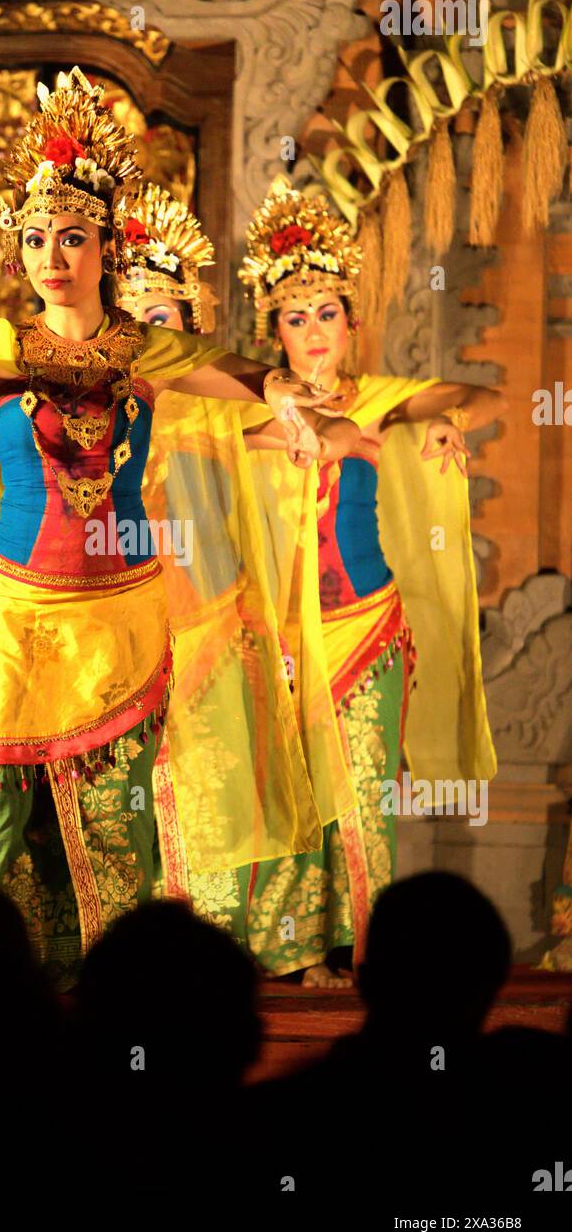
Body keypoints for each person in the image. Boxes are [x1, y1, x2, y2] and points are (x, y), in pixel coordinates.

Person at [0, 69, 340, 989]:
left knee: (113, 818)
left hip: (125, 611)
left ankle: (107, 997)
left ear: (107, 243)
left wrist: (292, 403)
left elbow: (247, 373)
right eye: (33, 239)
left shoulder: (148, 351)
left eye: (70, 237)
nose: (49, 256)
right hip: (19, 612)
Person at [237, 174, 504, 985]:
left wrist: (439, 422)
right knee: (287, 797)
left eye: (328, 315)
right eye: (295, 317)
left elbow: (484, 393)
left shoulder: (381, 404)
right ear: (274, 331)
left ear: (353, 325)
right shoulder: (245, 411)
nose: (314, 332)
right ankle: (283, 957)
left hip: (366, 626)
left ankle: (361, 960)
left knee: (358, 796)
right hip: (274, 636)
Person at [114, 180, 363, 961]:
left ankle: (235, 952)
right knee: (133, 798)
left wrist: (324, 428)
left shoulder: (216, 399)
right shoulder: (97, 399)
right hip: (121, 620)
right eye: (132, 321)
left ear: (190, 324)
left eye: (161, 319)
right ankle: (132, 950)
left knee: (230, 783)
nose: (146, 336)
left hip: (218, 619)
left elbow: (323, 422)